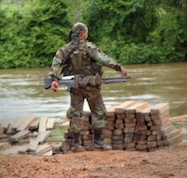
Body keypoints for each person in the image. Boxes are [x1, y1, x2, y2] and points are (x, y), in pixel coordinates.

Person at [49, 22, 128, 152]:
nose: (87, 34)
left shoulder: (64, 49)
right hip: (91, 87)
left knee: (75, 113)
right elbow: (103, 59)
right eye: (86, 32)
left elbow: (55, 64)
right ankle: (97, 142)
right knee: (98, 111)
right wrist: (118, 67)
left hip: (75, 87)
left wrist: (54, 79)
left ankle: (76, 144)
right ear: (82, 34)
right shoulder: (89, 47)